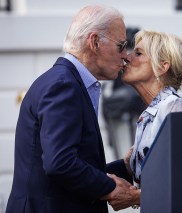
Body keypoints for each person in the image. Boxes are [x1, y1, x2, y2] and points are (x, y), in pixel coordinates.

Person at [6, 5, 139, 213]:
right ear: (94, 42)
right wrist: (112, 188)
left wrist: (125, 167)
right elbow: (60, 163)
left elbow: (78, 166)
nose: (125, 55)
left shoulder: (66, 81)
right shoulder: (63, 85)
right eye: (121, 45)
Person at [114, 29, 182, 208]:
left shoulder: (174, 106)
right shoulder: (152, 112)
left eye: (138, 53)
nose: (127, 58)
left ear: (162, 66)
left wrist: (135, 197)